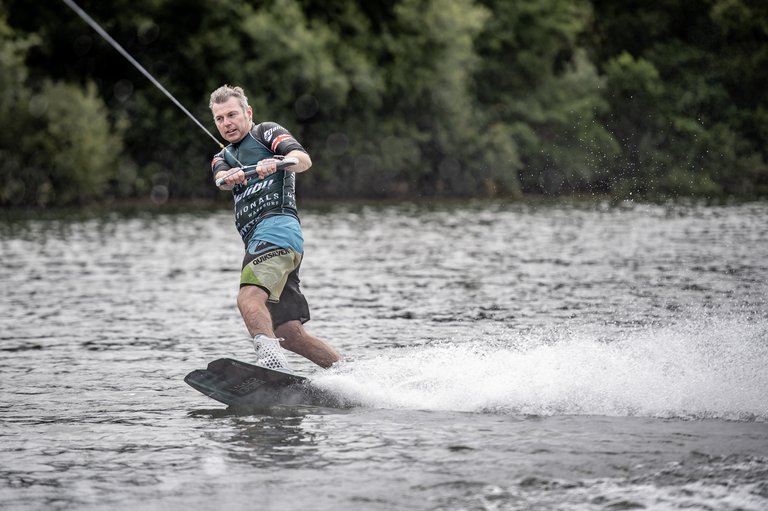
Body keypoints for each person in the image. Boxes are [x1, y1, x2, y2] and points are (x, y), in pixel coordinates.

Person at [208, 84, 341, 370]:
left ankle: (272, 366)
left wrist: (277, 162)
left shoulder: (265, 133)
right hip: (264, 242)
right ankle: (353, 377)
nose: (227, 123)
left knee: (248, 297)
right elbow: (220, 177)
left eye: (232, 114)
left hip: (277, 232)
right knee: (289, 333)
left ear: (248, 112)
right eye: (219, 119)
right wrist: (228, 176)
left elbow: (303, 161)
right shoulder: (221, 157)